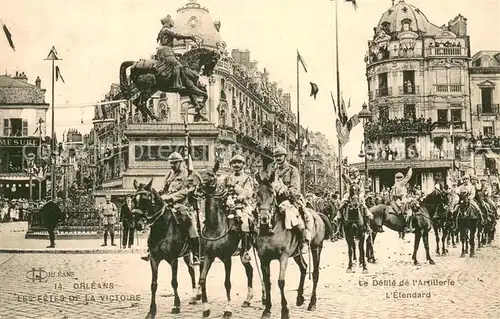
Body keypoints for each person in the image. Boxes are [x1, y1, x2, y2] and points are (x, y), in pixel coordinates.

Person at [141, 152, 200, 263]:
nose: (172, 165)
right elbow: (164, 188)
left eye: (175, 163)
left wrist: (170, 198)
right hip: (167, 205)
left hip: (183, 206)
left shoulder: (188, 174)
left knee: (191, 225)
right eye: (171, 163)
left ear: (181, 162)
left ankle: (196, 253)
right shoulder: (169, 174)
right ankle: (150, 249)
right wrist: (158, 195)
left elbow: (186, 191)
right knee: (155, 220)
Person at [271, 146, 312, 254]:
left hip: (291, 200)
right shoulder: (273, 171)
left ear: (285, 156)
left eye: (280, 156)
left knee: (297, 218)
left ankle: (303, 242)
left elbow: (295, 188)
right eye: (276, 156)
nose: (278, 158)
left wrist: (283, 189)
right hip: (276, 200)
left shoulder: (293, 170)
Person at [224, 154, 254, 263]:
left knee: (244, 222)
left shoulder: (247, 178)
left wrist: (236, 189)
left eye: (239, 162)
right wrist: (227, 198)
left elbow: (248, 192)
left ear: (243, 164)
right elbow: (223, 190)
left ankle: (245, 250)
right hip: (229, 205)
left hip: (243, 205)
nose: (236, 165)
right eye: (234, 163)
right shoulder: (228, 178)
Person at [156, 15, 199, 89]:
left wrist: (176, 54)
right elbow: (177, 36)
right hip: (166, 51)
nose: (172, 22)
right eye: (171, 20)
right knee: (178, 65)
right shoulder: (166, 30)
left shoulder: (162, 30)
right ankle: (176, 84)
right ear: (168, 22)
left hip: (165, 51)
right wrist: (189, 37)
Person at [334, 167, 376, 232]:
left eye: (356, 172)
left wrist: (360, 195)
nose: (355, 174)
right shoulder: (348, 180)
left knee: (363, 205)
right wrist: (343, 172)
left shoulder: (359, 181)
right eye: (353, 172)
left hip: (358, 195)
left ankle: (367, 224)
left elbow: (362, 190)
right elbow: (343, 177)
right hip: (349, 194)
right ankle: (338, 224)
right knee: (342, 205)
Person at [390, 167, 413, 233]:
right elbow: (407, 177)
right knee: (409, 212)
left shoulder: (395, 185)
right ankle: (406, 225)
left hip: (397, 200)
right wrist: (410, 170)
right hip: (401, 199)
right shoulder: (401, 183)